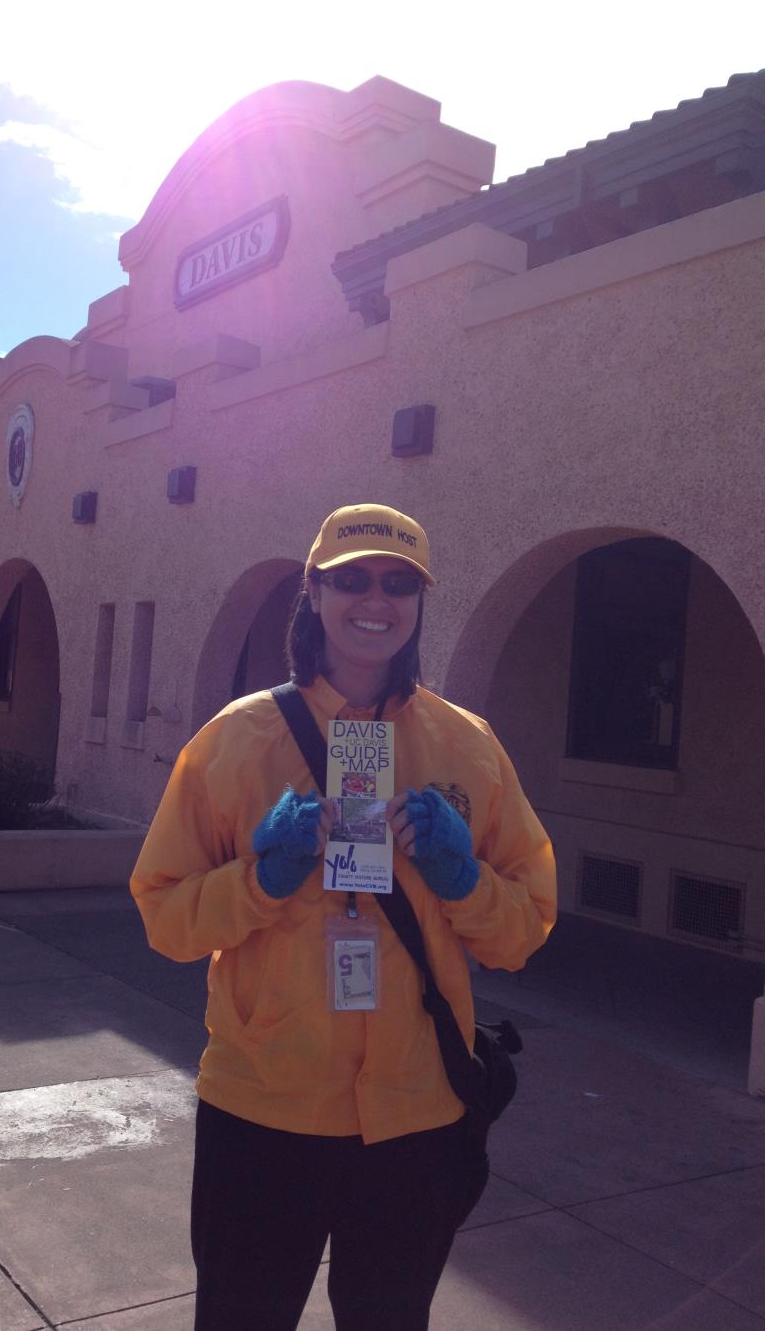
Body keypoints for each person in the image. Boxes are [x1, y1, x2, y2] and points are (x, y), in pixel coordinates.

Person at [130, 503, 556, 1331]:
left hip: (417, 1115)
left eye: (400, 582)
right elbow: (166, 919)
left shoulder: (469, 745)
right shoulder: (234, 740)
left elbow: (525, 927)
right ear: (315, 593)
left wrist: (462, 877)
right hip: (264, 1108)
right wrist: (261, 876)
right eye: (353, 578)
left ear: (420, 602)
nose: (377, 597)